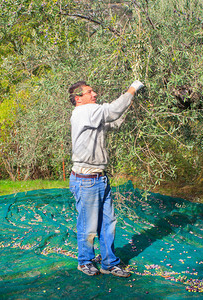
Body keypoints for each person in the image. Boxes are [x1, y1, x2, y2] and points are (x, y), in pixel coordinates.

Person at [68, 80, 144, 277]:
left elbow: (115, 122)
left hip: (100, 178)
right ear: (78, 98)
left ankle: (109, 263)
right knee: (88, 224)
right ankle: (85, 261)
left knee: (108, 222)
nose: (94, 94)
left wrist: (131, 104)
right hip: (85, 179)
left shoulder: (92, 115)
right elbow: (112, 110)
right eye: (89, 92)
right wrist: (132, 89)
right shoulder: (83, 112)